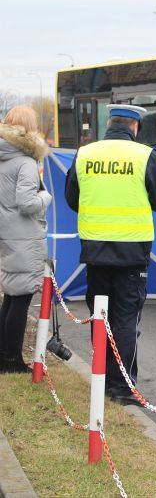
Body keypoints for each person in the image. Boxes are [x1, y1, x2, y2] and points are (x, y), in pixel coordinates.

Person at [65, 104, 156, 405]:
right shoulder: (144, 156)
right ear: (135, 127)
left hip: (95, 249)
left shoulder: (85, 154)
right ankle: (123, 388)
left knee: (100, 316)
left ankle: (101, 380)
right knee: (125, 319)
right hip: (132, 251)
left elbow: (72, 199)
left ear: (109, 124)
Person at [0, 106, 52, 373]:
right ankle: (12, 362)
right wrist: (46, 197)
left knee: (10, 296)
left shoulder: (4, 157)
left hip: (7, 234)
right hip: (24, 236)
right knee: (20, 300)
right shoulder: (26, 162)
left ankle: (4, 357)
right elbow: (27, 203)